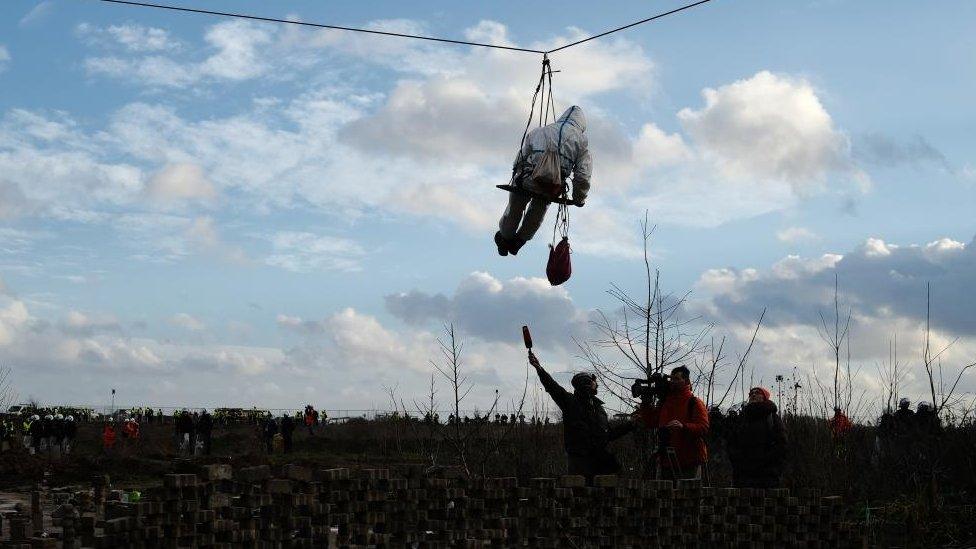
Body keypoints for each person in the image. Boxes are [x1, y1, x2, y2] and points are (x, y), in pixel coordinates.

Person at [495, 105, 591, 256]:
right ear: (581, 125)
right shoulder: (581, 141)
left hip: (527, 178)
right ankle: (519, 240)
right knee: (537, 211)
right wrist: (579, 198)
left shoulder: (540, 131)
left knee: (515, 207)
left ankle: (505, 237)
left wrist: (515, 173)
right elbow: (582, 175)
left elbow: (520, 158)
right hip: (552, 186)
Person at [528, 350, 632, 481]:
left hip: (600, 461)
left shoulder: (599, 409)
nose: (596, 384)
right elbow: (552, 387)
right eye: (593, 381)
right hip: (580, 462)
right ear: (587, 384)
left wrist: (631, 425)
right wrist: (539, 369)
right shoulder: (571, 403)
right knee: (580, 494)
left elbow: (608, 435)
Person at [638, 366, 710, 481]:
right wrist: (645, 404)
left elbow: (703, 427)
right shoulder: (666, 402)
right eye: (671, 379)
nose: (672, 382)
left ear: (686, 381)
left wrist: (684, 426)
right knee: (664, 495)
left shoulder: (694, 402)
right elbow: (651, 422)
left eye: (676, 379)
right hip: (666, 459)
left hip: (689, 460)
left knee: (687, 495)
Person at [728, 387, 788, 488]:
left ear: (765, 397)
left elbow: (782, 444)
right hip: (743, 476)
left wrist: (767, 462)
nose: (753, 395)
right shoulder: (741, 418)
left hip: (767, 477)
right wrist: (738, 461)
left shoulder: (772, 418)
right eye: (751, 393)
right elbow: (732, 442)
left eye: (757, 392)